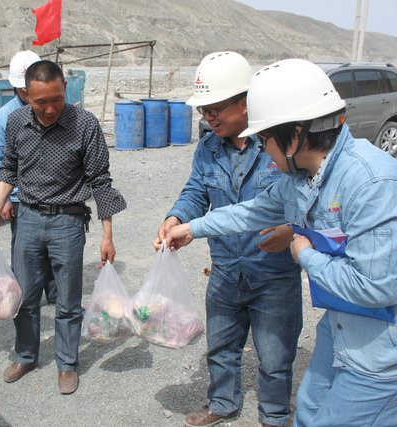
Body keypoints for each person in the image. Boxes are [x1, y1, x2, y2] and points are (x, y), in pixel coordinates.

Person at [166, 58, 397, 427]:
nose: (264, 151)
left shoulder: (371, 182)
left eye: (265, 139)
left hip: (377, 352)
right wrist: (191, 227)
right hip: (339, 327)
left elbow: (377, 287)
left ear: (296, 134)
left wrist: (304, 253)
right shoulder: (302, 177)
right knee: (307, 412)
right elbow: (250, 212)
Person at [153, 51, 302, 427]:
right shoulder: (207, 149)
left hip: (273, 274)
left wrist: (291, 229)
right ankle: (222, 403)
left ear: (245, 102)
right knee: (220, 346)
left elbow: (305, 199)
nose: (209, 117)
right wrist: (176, 217)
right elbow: (195, 191)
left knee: (275, 357)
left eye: (216, 108)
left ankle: (274, 416)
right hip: (225, 270)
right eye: (204, 110)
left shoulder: (278, 146)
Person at [0, 60, 126, 395]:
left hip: (68, 222)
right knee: (24, 297)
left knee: (68, 301)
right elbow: (8, 169)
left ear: (65, 89)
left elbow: (100, 181)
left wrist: (107, 236)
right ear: (25, 95)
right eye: (40, 102)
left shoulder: (85, 124)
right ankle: (26, 356)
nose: (49, 109)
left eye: (56, 99)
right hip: (27, 218)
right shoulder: (16, 121)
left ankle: (67, 363)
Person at [0, 50, 57, 304]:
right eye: (23, 90)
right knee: (25, 252)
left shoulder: (54, 112)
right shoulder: (5, 117)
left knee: (53, 251)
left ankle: (55, 294)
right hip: (19, 200)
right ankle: (25, 298)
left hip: (52, 197)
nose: (27, 95)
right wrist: (3, 200)